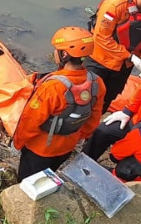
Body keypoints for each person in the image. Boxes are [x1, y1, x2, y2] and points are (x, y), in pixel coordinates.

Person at [12, 27, 105, 180]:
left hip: (40, 148)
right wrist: (80, 136)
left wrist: (17, 144)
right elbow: (94, 116)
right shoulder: (96, 82)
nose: (54, 52)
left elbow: (31, 120)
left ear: (64, 54)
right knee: (47, 175)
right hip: (68, 146)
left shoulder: (52, 87)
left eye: (57, 49)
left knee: (26, 181)